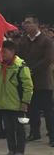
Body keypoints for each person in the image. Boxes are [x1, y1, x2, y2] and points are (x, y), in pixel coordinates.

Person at [18, 15, 54, 147]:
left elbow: (48, 59)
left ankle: (52, 135)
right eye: (25, 23)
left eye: (28, 23)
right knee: (31, 109)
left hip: (43, 81)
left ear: (36, 24)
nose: (25, 25)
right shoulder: (23, 41)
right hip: (29, 82)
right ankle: (34, 132)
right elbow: (19, 57)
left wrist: (31, 70)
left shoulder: (46, 40)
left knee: (48, 110)